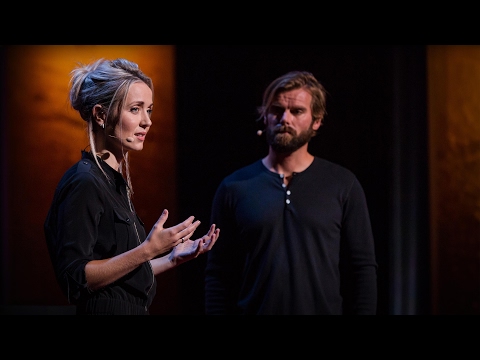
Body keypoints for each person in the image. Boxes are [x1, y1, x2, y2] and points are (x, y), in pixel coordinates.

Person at [44, 58, 220, 315]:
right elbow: (75, 278)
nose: (147, 121)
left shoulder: (113, 183)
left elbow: (121, 278)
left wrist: (169, 258)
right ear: (101, 114)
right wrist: (147, 250)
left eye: (149, 110)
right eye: (135, 109)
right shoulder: (85, 181)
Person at [204, 70, 377, 315]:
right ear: (265, 116)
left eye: (297, 111)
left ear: (316, 121)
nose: (285, 118)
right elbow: (218, 273)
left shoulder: (342, 184)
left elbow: (362, 269)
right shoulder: (234, 187)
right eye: (276, 110)